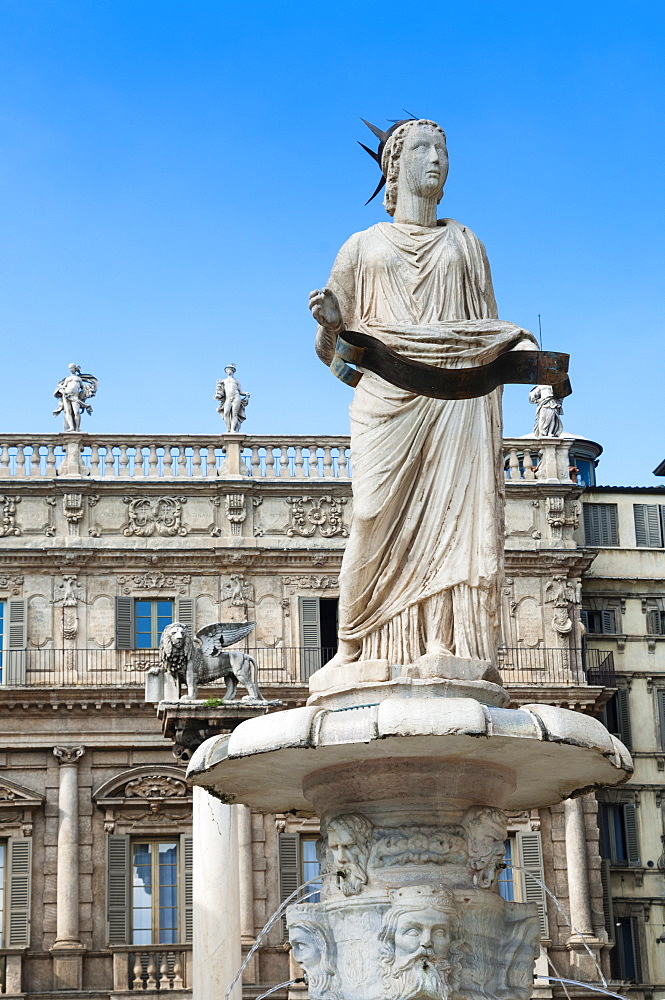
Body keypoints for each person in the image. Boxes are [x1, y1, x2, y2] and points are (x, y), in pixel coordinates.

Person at [310, 119, 537, 671]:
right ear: (394, 163)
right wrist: (331, 325)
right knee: (370, 517)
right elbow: (335, 360)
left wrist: (518, 346)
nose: (436, 158)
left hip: (457, 400)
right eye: (422, 149)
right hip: (387, 400)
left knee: (453, 523)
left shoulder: (465, 244)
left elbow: (482, 329)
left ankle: (444, 646)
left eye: (443, 149)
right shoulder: (362, 247)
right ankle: (352, 646)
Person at [53, 364, 98, 431]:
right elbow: (64, 386)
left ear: (75, 369)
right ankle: (71, 427)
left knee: (76, 412)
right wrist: (61, 390)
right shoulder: (67, 379)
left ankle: (77, 428)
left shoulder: (78, 379)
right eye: (69, 368)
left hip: (75, 397)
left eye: (72, 368)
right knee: (68, 411)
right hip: (66, 395)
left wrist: (88, 390)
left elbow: (82, 388)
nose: (70, 369)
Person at [215, 364, 250, 433]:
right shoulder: (223, 381)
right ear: (226, 371)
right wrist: (218, 386)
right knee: (226, 413)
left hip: (236, 397)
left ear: (233, 371)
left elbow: (240, 391)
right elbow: (220, 392)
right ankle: (228, 429)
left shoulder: (236, 381)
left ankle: (233, 429)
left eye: (230, 370)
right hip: (228, 398)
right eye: (228, 370)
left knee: (234, 413)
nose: (229, 371)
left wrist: (246, 393)